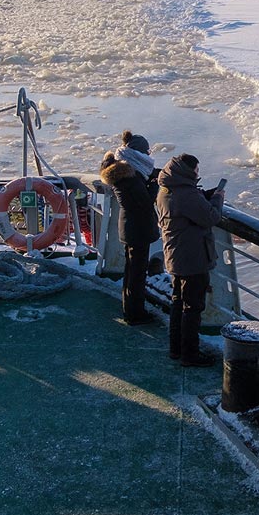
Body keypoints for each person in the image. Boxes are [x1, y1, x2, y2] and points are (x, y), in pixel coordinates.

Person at [154, 153, 224, 366]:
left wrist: (205, 196)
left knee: (178, 303)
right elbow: (210, 217)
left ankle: (176, 349)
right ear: (188, 171)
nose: (197, 174)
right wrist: (218, 198)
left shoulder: (167, 187)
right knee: (192, 307)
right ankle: (190, 354)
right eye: (196, 171)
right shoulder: (185, 194)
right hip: (192, 257)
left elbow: (190, 207)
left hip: (176, 255)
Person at [99, 130, 160, 325]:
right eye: (147, 152)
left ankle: (131, 309)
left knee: (132, 270)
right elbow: (145, 201)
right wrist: (155, 185)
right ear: (139, 153)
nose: (149, 155)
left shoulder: (124, 170)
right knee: (136, 273)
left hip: (131, 227)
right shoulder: (130, 178)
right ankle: (135, 314)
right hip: (138, 229)